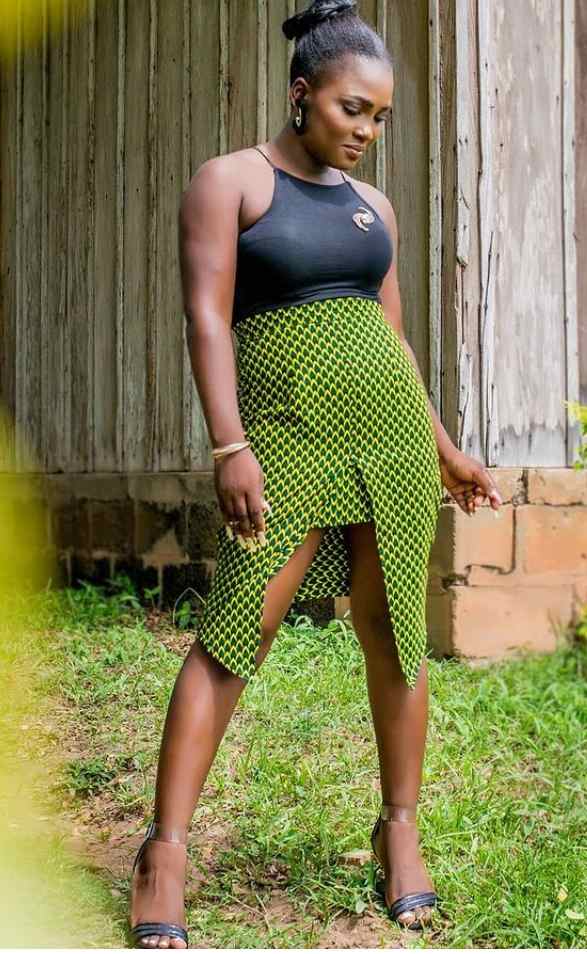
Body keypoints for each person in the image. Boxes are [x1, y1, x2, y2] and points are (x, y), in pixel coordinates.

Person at [128, 0, 503, 946]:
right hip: (286, 439)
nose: (366, 131)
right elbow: (206, 317)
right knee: (236, 629)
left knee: (394, 631)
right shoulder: (230, 181)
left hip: (389, 442)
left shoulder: (374, 209)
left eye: (379, 116)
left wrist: (445, 447)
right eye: (351, 109)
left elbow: (393, 339)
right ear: (301, 94)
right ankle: (164, 851)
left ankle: (399, 831)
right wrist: (229, 446)